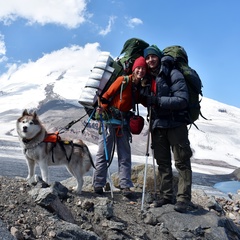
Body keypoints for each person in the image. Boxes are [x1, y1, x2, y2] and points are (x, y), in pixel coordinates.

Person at [142, 45, 193, 213]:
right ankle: (166, 196)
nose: (150, 60)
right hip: (158, 125)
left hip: (176, 124)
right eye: (147, 58)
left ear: (159, 57)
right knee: (162, 162)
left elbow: (182, 100)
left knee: (182, 161)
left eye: (153, 56)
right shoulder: (148, 78)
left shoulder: (173, 73)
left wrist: (157, 101)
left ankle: (183, 199)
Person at [93, 56, 147, 196]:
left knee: (125, 155)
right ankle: (98, 184)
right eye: (138, 68)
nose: (140, 71)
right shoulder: (122, 80)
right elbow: (106, 96)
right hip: (110, 121)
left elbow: (144, 101)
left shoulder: (138, 87)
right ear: (134, 69)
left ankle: (125, 186)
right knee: (103, 154)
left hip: (123, 124)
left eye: (143, 69)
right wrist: (101, 109)